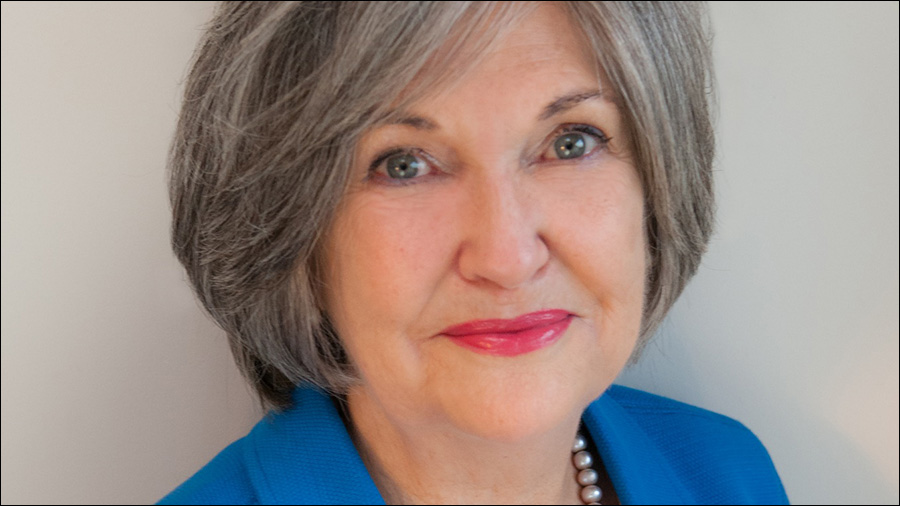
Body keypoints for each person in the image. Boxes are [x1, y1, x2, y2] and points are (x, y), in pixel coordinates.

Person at [160, 1, 788, 504]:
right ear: (291, 233)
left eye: (571, 143)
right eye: (403, 165)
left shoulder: (727, 475)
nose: (508, 257)